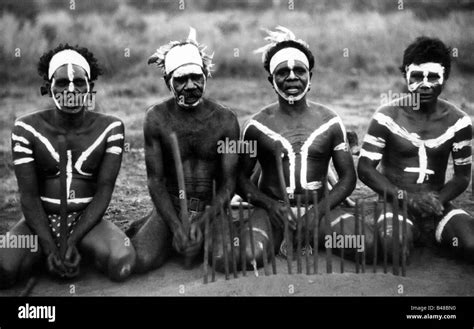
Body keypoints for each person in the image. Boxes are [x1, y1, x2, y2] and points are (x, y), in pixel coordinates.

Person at [0, 44, 136, 288]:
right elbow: (29, 197)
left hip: (87, 222)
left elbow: (104, 191)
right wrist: (51, 246)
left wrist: (71, 242)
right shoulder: (25, 129)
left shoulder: (111, 129)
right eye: (62, 83)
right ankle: (46, 254)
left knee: (122, 262)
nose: (71, 90)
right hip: (38, 223)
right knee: (3, 269)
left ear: (90, 88)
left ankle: (76, 252)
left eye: (80, 83)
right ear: (48, 88)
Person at [237, 27, 364, 267]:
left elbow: (347, 178)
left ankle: (313, 235)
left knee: (364, 245)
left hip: (322, 208)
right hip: (274, 212)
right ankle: (286, 235)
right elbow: (241, 180)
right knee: (249, 255)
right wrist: (271, 206)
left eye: (300, 71)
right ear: (271, 81)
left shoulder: (331, 121)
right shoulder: (255, 126)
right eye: (283, 72)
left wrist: (317, 212)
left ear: (310, 77)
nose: (292, 77)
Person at [127, 28, 240, 273]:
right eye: (180, 80)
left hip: (212, 207)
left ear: (206, 76)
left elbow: (230, 184)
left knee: (222, 260)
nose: (190, 86)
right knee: (140, 261)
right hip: (171, 206)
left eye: (196, 77)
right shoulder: (156, 118)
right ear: (168, 82)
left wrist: (202, 222)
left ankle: (219, 229)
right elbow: (155, 181)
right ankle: (153, 223)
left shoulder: (226, 120)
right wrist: (177, 227)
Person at [358, 37, 474, 263]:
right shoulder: (387, 116)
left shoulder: (459, 122)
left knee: (470, 244)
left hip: (437, 205)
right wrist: (407, 199)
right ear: (406, 77)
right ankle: (410, 234)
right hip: (394, 203)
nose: (425, 84)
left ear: (445, 77)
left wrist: (436, 202)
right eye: (417, 76)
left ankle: (435, 235)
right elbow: (365, 168)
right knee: (395, 248)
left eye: (433, 77)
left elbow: (462, 177)